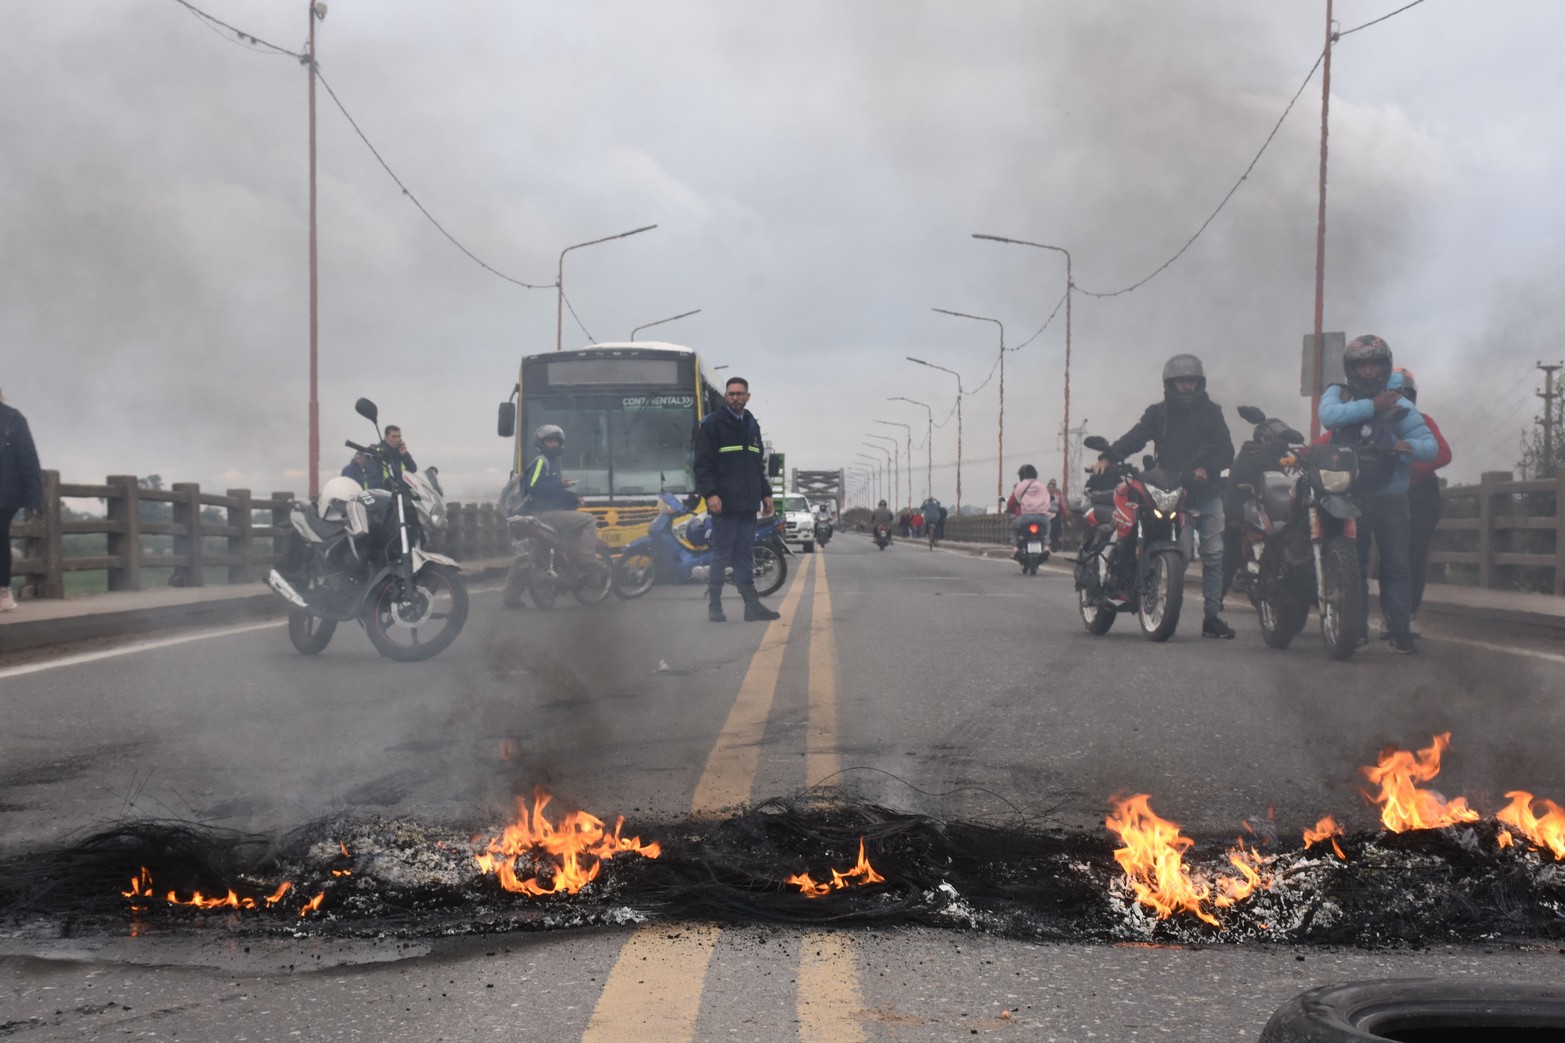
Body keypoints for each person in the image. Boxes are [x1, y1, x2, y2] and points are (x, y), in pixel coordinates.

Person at [1096, 353, 1236, 639]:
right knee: (1178, 554)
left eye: (1192, 381)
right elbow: (1135, 438)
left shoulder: (1212, 412)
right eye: (1182, 381)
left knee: (1213, 556)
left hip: (1207, 493)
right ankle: (1149, 595)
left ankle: (1212, 617)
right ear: (1170, 384)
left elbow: (1226, 451)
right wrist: (1108, 458)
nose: (1187, 387)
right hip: (1169, 491)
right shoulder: (1158, 413)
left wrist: (1206, 469)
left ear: (1200, 383)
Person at [1318, 335, 1437, 654]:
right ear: (1351, 367)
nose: (1369, 370)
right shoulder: (1338, 393)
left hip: (1391, 494)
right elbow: (1328, 417)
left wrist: (1406, 445)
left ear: (1384, 365)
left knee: (1397, 564)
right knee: (1351, 565)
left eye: (1375, 363)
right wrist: (1373, 406)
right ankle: (1353, 630)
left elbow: (1431, 446)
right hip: (1348, 495)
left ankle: (1400, 631)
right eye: (1362, 364)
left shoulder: (1400, 402)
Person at [692, 377, 780, 623]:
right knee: (721, 555)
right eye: (731, 394)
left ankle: (751, 607)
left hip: (748, 503)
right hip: (725, 503)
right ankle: (715, 606)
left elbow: (756, 465)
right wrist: (711, 494)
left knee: (743, 554)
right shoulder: (713, 425)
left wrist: (766, 494)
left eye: (740, 394)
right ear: (726, 397)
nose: (735, 398)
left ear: (747, 396)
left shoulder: (752, 425)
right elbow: (702, 465)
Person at [499, 424, 605, 609]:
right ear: (541, 443)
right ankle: (587, 560)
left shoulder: (551, 463)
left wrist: (572, 498)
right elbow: (535, 487)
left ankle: (510, 596)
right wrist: (560, 484)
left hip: (533, 516)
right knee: (588, 520)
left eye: (556, 441)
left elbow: (550, 493)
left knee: (528, 556)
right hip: (542, 515)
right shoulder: (542, 461)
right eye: (549, 441)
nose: (553, 444)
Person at [1391, 367, 1451, 636]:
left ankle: (1408, 615)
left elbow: (1442, 453)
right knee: (1389, 558)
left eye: (1403, 393)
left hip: (1419, 495)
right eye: (1393, 392)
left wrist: (1411, 471)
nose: (1398, 397)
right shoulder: (1370, 423)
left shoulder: (1423, 420)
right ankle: (1390, 614)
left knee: (1413, 556)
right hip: (1388, 495)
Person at [1, 389, 44, 612]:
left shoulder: (12, 419)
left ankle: (3, 592)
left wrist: (34, 498)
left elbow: (28, 458)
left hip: (4, 492)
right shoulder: (14, 418)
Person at [1005, 464, 1052, 558]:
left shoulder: (1020, 486)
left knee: (1014, 529)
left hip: (1025, 516)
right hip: (1041, 516)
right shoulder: (1042, 486)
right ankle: (1046, 547)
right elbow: (1047, 499)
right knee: (1047, 527)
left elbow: (1016, 500)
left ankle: (1015, 548)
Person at [1045, 478, 1065, 550]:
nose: (1051, 489)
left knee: (1055, 529)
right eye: (1050, 487)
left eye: (1053, 487)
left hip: (1056, 515)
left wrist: (1065, 516)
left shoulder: (1058, 495)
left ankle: (1054, 545)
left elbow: (1062, 506)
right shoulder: (1044, 495)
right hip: (1046, 514)